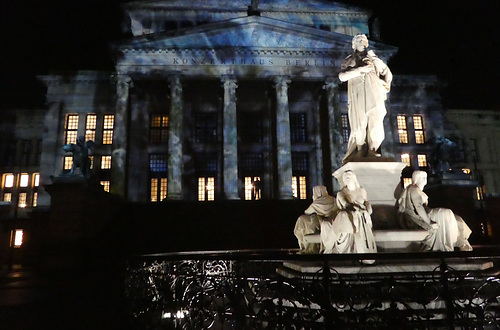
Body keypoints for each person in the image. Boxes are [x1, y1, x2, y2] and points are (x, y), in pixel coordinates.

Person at [339, 34, 392, 163]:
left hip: (373, 92)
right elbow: (342, 77)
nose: (361, 42)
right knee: (359, 121)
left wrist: (384, 84)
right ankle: (360, 149)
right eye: (358, 40)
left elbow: (387, 73)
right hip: (358, 94)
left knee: (375, 120)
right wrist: (360, 70)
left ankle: (373, 149)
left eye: (363, 40)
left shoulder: (374, 59)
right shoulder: (349, 60)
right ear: (353, 45)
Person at [397, 171, 473, 251]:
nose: (425, 180)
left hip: (425, 214)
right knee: (445, 213)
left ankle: (462, 242)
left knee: (455, 218)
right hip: (418, 218)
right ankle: (446, 246)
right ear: (417, 179)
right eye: (422, 178)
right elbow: (419, 207)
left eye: (425, 177)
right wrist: (429, 222)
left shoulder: (416, 190)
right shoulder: (413, 189)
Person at [321, 170, 377, 257]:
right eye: (345, 177)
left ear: (354, 177)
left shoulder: (362, 190)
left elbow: (366, 202)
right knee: (344, 216)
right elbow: (347, 205)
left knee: (358, 217)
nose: (346, 179)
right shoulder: (342, 193)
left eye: (348, 177)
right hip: (348, 214)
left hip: (360, 215)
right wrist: (359, 209)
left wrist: (368, 208)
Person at [294, 185, 336, 254]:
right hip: (332, 223)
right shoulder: (333, 200)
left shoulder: (317, 203)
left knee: (302, 220)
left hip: (322, 224)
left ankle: (306, 248)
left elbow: (307, 212)